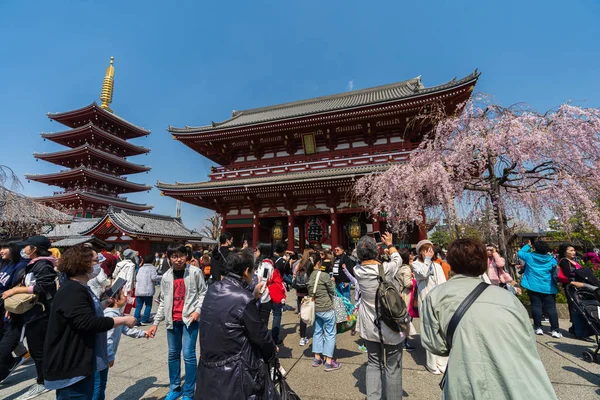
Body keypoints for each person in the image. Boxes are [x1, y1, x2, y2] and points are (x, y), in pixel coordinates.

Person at [421, 238, 558, 400]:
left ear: (450, 263)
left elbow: (436, 346)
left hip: (469, 382)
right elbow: (528, 338)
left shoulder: (436, 297)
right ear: (485, 262)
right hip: (524, 384)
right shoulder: (507, 297)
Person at [43, 245, 136, 399]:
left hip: (81, 361)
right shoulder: (73, 290)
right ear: (83, 264)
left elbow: (80, 313)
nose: (98, 265)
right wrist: (124, 320)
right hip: (72, 364)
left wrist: (103, 304)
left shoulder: (79, 287)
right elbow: (88, 323)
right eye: (95, 261)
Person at [196, 249, 277, 399]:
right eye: (253, 271)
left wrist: (252, 295)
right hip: (236, 368)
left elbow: (230, 312)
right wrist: (272, 351)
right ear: (247, 271)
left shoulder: (213, 288)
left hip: (209, 365)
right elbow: (260, 334)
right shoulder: (243, 298)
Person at [146, 244, 207, 400]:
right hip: (172, 320)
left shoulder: (195, 272)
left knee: (188, 355)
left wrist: (197, 311)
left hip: (189, 320)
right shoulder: (166, 276)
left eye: (181, 255)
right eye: (174, 256)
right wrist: (155, 323)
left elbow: (203, 294)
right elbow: (164, 302)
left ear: (186, 256)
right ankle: (175, 388)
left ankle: (188, 392)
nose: (178, 259)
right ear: (169, 257)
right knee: (173, 355)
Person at [0, 236, 57, 399]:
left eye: (27, 247)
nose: (24, 250)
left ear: (34, 249)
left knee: (37, 349)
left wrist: (15, 292)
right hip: (28, 312)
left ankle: (44, 381)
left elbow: (43, 286)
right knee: (35, 348)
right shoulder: (34, 264)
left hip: (39, 313)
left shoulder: (44, 264)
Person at [354, 233, 404, 399]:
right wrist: (389, 244)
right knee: (393, 367)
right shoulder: (386, 269)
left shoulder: (357, 270)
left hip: (369, 326)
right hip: (390, 325)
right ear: (376, 252)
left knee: (373, 363)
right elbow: (398, 259)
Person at [94, 287, 150, 400]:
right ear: (115, 299)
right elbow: (107, 339)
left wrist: (144, 333)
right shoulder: (110, 316)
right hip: (101, 357)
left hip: (104, 356)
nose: (125, 297)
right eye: (122, 295)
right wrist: (110, 356)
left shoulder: (116, 315)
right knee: (98, 385)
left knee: (100, 384)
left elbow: (127, 330)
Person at [411, 239, 448, 375]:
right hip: (425, 300)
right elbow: (423, 274)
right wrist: (426, 260)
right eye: (426, 250)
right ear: (420, 251)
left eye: (431, 249)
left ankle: (442, 362)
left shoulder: (438, 265)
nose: (430, 252)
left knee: (441, 331)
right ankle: (431, 363)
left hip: (439, 301)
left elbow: (443, 283)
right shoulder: (416, 264)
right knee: (429, 330)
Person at [518, 240, 561, 337]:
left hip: (533, 285)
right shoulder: (551, 259)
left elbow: (520, 253)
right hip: (548, 286)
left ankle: (538, 328)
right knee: (551, 308)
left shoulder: (529, 256)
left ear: (535, 248)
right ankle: (555, 330)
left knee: (536, 306)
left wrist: (528, 245)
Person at [307, 253, 341, 371]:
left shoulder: (309, 275)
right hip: (326, 307)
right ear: (318, 263)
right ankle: (328, 361)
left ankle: (317, 358)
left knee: (317, 331)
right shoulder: (324, 275)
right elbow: (332, 291)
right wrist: (332, 281)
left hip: (315, 308)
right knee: (330, 333)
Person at [0, 242, 28, 379]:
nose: (1, 251)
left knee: (7, 339)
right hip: (2, 305)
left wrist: (9, 306)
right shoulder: (6, 264)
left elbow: (16, 287)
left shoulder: (21, 265)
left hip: (8, 306)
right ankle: (11, 362)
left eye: (5, 248)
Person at [255, 243, 286, 345]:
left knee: (262, 323)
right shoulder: (263, 263)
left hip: (263, 297)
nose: (256, 252)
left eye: (257, 250)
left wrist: (258, 293)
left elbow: (263, 281)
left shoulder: (266, 265)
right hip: (260, 296)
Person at [557, 244, 590, 339]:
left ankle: (576, 328)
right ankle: (578, 331)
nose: (573, 252)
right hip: (571, 287)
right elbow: (569, 274)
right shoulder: (564, 261)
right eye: (571, 250)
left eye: (574, 250)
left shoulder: (574, 261)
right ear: (564, 252)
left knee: (579, 307)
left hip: (579, 286)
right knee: (576, 308)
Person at [397, 248, 416, 352]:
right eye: (410, 254)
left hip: (400, 294)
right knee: (406, 320)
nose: (411, 256)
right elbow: (408, 283)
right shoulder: (407, 269)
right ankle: (404, 343)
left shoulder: (399, 267)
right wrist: (415, 280)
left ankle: (401, 341)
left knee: (401, 320)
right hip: (406, 295)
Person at [134, 254, 161, 326]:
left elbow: (137, 278)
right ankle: (145, 320)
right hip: (147, 291)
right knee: (148, 305)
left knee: (138, 306)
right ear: (152, 261)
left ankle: (136, 321)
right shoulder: (152, 268)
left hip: (139, 290)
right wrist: (162, 277)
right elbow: (154, 277)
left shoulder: (140, 268)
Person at [292, 255, 310, 346]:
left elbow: (294, 277)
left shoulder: (297, 266)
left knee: (302, 315)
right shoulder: (310, 266)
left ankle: (302, 338)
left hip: (300, 294)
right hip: (309, 294)